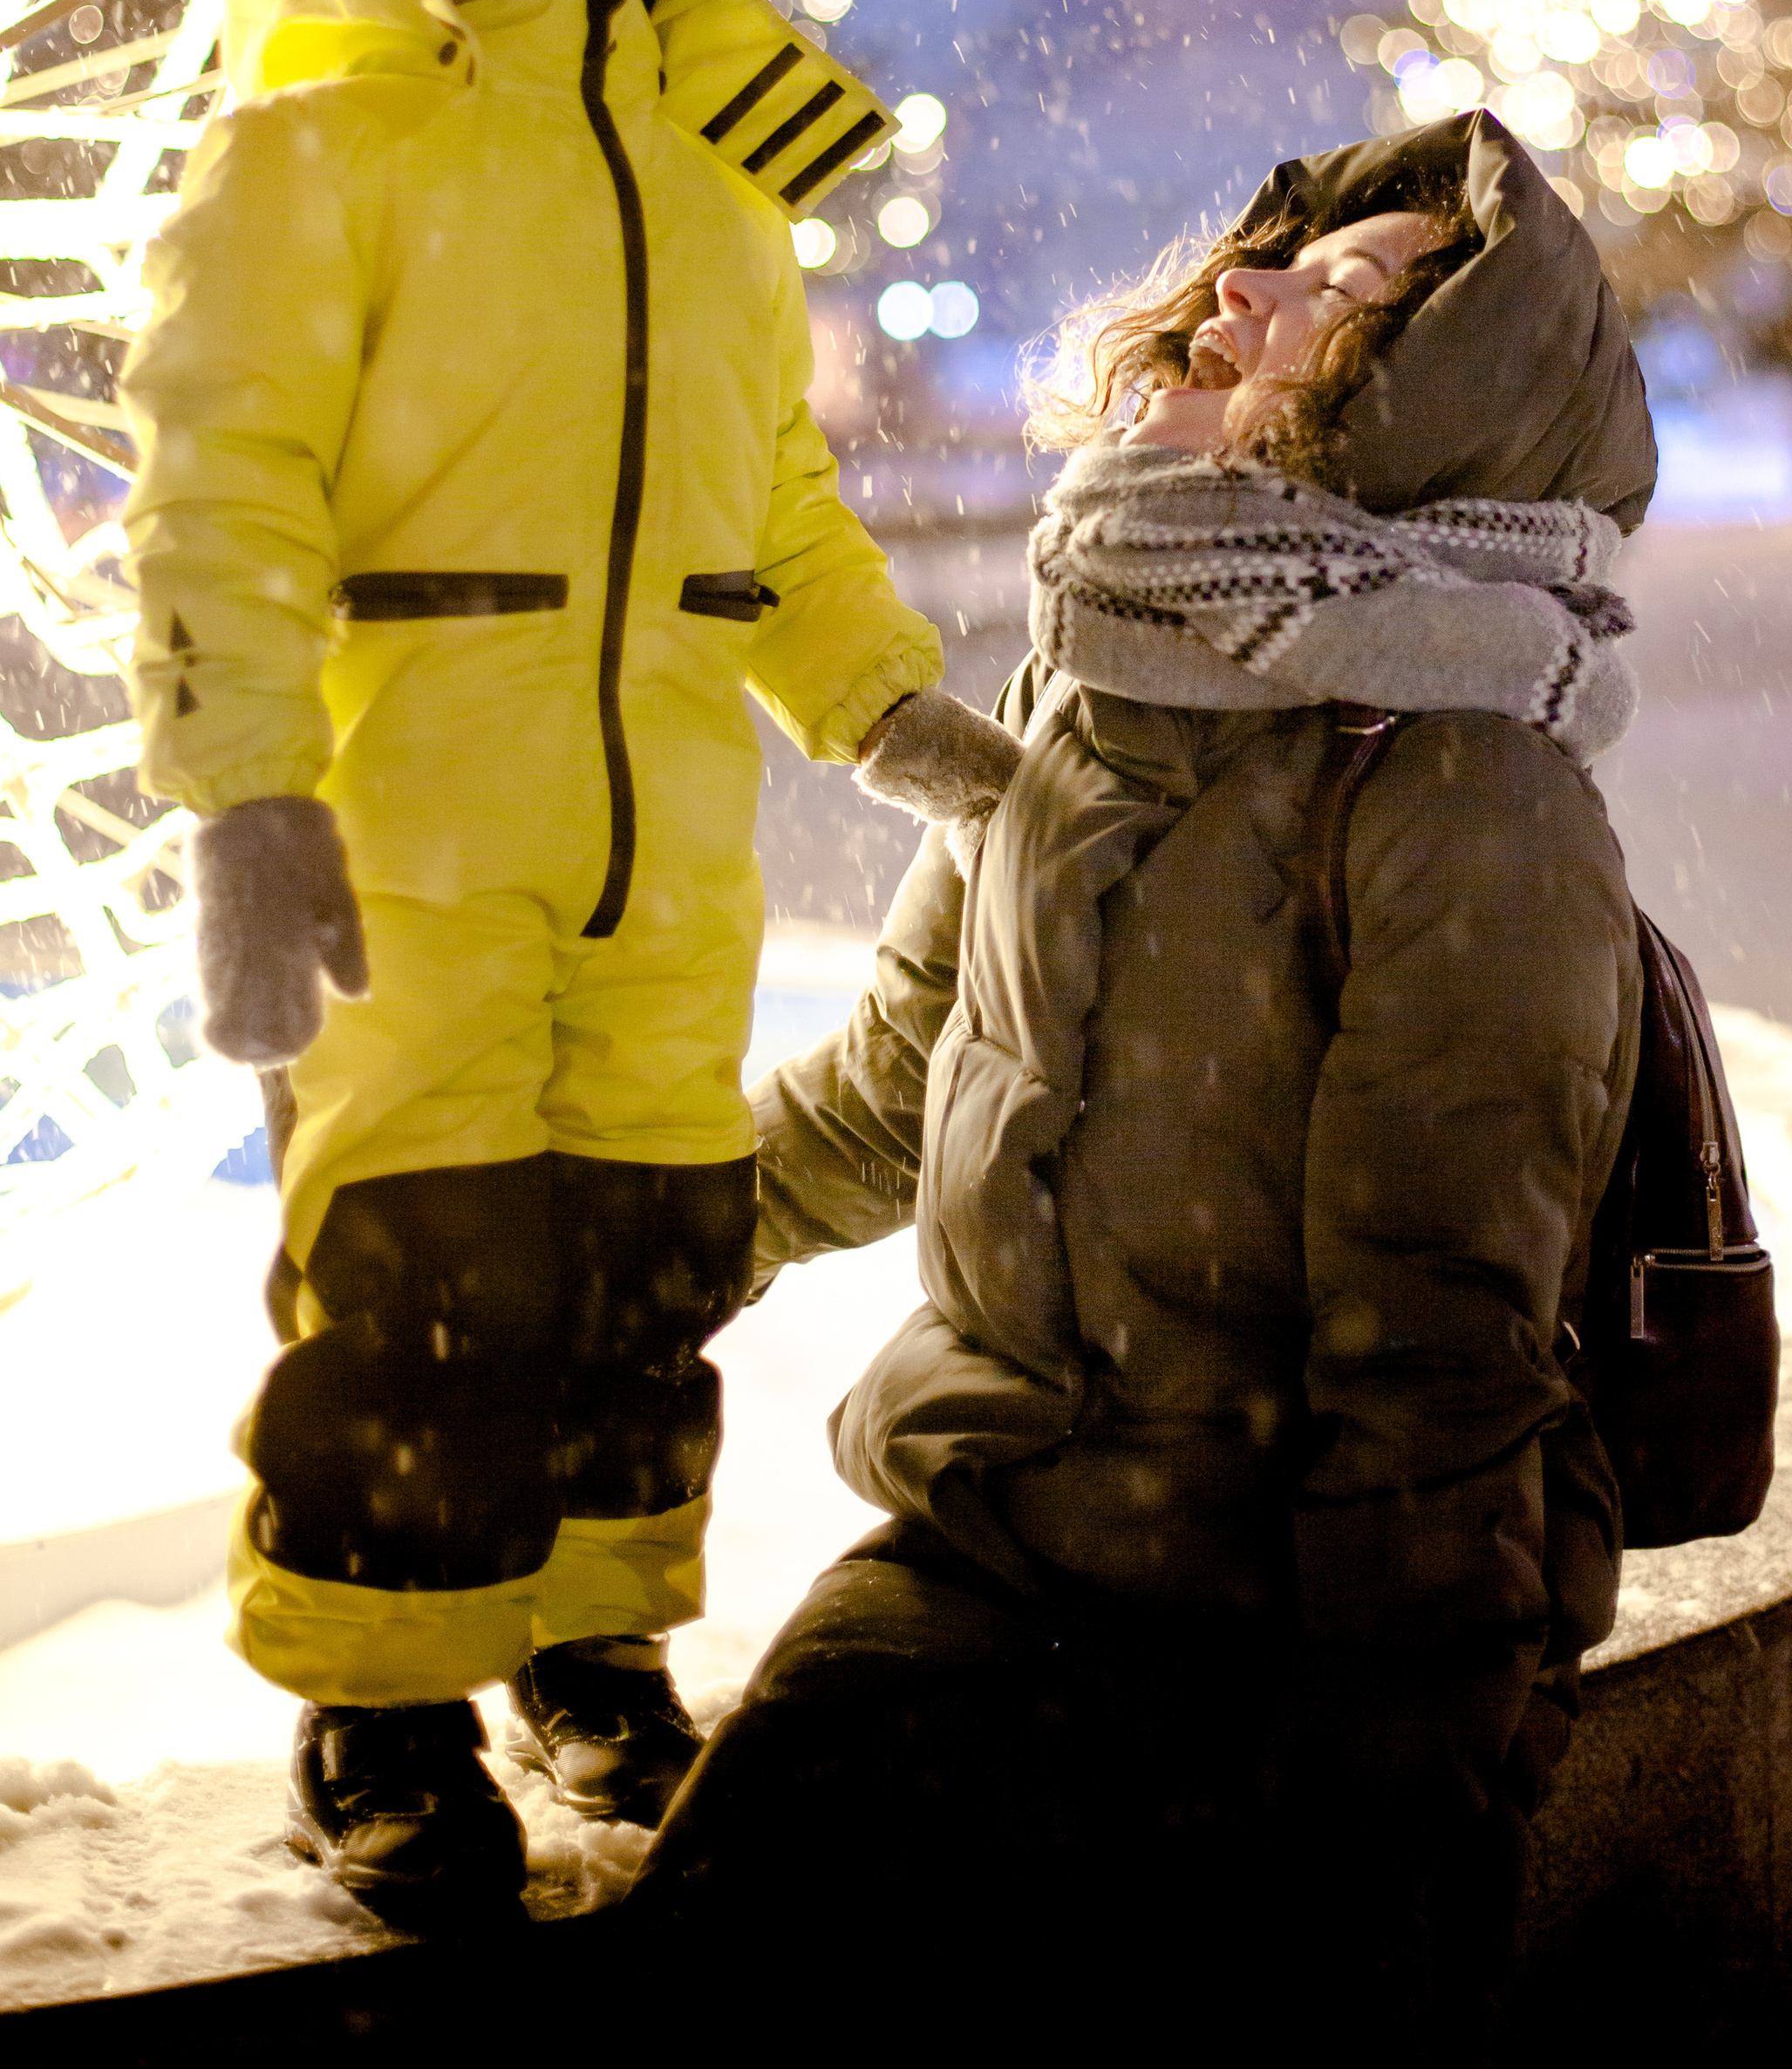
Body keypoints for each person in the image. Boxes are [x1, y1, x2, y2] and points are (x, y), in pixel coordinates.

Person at [119, 0, 1002, 1928]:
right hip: (412, 811)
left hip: (666, 836)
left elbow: (769, 503)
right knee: (422, 1274)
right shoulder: (310, 156)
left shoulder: (712, 184)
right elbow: (224, 494)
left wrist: (881, 702)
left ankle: (584, 1638)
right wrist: (244, 796)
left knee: (641, 1255)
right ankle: (381, 1704)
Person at [626, 104, 1658, 2027]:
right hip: (991, 1544)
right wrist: (629, 1245)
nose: (1237, 290)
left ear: (1438, 405)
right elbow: (901, 1086)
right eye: (1267, 258)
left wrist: (1376, 1809)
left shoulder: (1461, 786)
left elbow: (1437, 1363)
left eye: (1340, 296)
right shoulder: (1088, 685)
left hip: (1277, 1627)